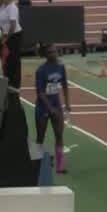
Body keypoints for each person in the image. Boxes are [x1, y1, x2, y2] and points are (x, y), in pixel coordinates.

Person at [34, 44, 71, 174]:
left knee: (59, 135)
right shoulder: (41, 71)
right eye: (50, 52)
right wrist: (50, 109)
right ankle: (37, 162)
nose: (54, 54)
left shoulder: (61, 67)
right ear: (46, 55)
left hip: (56, 105)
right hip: (43, 107)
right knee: (40, 137)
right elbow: (40, 93)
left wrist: (67, 104)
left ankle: (60, 166)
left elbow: (65, 85)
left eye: (55, 51)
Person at [0, 0, 23, 90]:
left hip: (14, 35)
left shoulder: (12, 8)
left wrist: (6, 38)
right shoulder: (4, 7)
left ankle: (15, 83)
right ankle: (8, 78)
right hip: (6, 34)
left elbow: (13, 25)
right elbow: (2, 24)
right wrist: (2, 34)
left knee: (13, 59)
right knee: (7, 59)